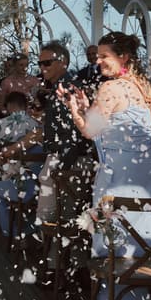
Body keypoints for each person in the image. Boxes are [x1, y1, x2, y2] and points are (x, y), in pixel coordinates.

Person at [60, 31, 151, 300]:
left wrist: (75, 109)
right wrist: (88, 105)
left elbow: (90, 130)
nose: (99, 60)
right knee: (139, 233)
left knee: (116, 235)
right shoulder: (143, 88)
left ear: (124, 58)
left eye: (105, 55)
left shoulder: (111, 87)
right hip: (143, 169)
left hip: (117, 170)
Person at [35, 41, 94, 223]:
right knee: (60, 220)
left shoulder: (69, 88)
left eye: (47, 63)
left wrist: (62, 168)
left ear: (63, 62)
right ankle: (53, 251)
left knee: (53, 220)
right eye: (40, 64)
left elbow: (75, 132)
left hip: (68, 162)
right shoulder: (60, 87)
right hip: (64, 161)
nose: (43, 68)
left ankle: (52, 252)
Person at [0, 92, 42, 238]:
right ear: (25, 106)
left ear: (8, 107)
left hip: (14, 179)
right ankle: (27, 227)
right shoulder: (36, 126)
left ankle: (10, 232)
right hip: (38, 182)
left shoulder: (2, 124)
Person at [0, 53, 40, 117]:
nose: (24, 68)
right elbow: (0, 105)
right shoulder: (6, 82)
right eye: (21, 65)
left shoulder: (35, 81)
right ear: (14, 66)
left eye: (26, 65)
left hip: (32, 119)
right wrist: (10, 117)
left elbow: (39, 102)